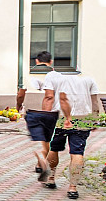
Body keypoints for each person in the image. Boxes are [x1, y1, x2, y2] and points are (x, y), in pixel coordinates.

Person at [44, 72, 101, 199]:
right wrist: (95, 118)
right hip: (83, 119)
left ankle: (51, 178)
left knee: (54, 148)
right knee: (77, 152)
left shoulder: (55, 78)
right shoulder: (89, 79)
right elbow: (94, 101)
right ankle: (73, 188)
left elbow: (49, 97)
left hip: (61, 118)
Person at [16, 51, 70, 183]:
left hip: (35, 113)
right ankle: (50, 176)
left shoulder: (27, 75)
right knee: (50, 145)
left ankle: (42, 162)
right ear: (51, 62)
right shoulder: (59, 76)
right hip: (54, 113)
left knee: (41, 142)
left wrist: (18, 106)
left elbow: (21, 94)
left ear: (36, 61)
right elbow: (62, 97)